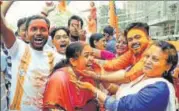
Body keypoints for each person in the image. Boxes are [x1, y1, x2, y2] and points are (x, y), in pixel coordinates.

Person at [73, 40, 178, 111]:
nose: (147, 61)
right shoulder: (142, 76)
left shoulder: (159, 88)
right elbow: (121, 92)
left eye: (155, 59)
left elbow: (120, 106)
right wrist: (98, 77)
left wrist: (93, 89)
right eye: (147, 56)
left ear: (168, 66)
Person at [1, 3, 64, 110]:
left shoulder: (57, 58)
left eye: (43, 29)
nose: (38, 33)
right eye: (33, 29)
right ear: (26, 33)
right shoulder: (18, 48)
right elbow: (2, 26)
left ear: (48, 33)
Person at [43, 42, 99, 111]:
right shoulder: (59, 78)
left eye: (92, 55)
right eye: (86, 56)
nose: (92, 59)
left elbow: (93, 102)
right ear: (73, 61)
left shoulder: (87, 76)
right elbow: (51, 107)